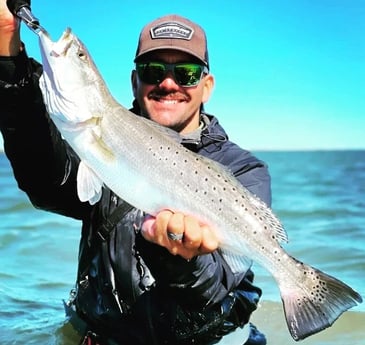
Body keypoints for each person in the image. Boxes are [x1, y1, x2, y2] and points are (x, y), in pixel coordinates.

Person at [0, 2, 271, 344]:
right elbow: (44, 181)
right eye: (153, 70)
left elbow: (218, 287)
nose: (168, 83)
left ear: (207, 86)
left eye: (186, 73)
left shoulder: (245, 170)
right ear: (134, 81)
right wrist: (6, 50)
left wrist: (181, 261)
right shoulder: (100, 141)